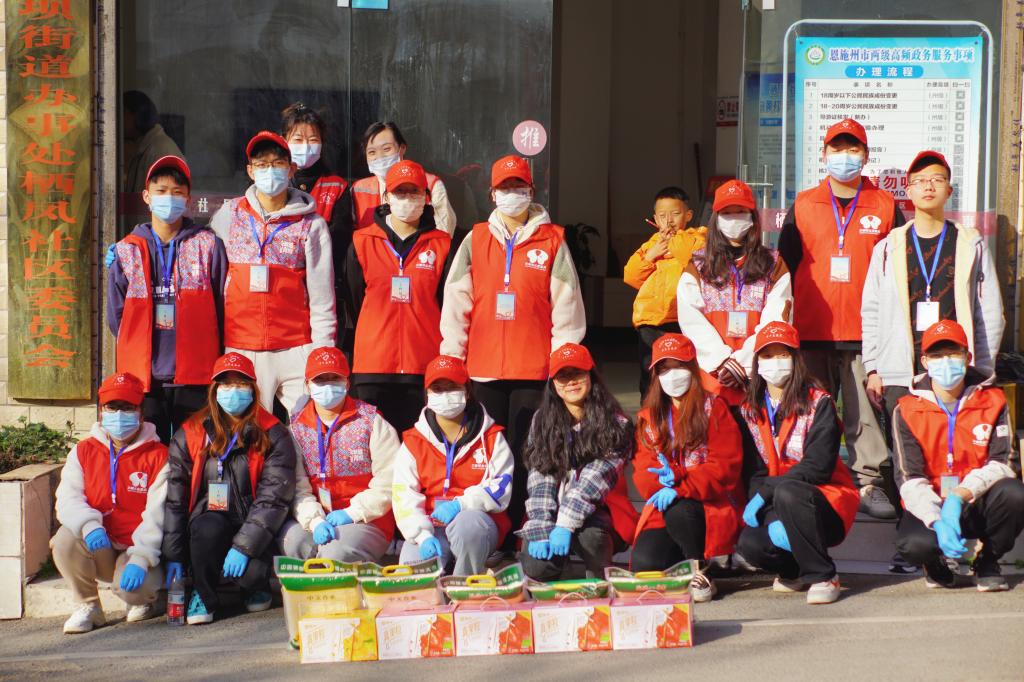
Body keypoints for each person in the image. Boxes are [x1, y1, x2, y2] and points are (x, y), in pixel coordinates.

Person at [440, 154, 586, 539]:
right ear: (492, 193)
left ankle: (526, 525)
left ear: (531, 191)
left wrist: (562, 365)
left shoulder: (553, 240)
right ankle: (492, 528)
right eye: (504, 187)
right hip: (482, 367)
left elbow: (567, 306)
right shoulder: (475, 239)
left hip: (533, 368)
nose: (512, 193)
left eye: (518, 186)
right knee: (487, 452)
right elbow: (456, 302)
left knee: (529, 451)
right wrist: (452, 361)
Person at [778, 117, 904, 520]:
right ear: (824, 154)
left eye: (852, 149)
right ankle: (813, 478)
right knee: (811, 412)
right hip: (811, 329)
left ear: (865, 155)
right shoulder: (803, 205)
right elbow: (785, 267)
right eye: (837, 148)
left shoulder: (885, 206)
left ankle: (868, 481)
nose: (844, 156)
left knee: (864, 414)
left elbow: (897, 271)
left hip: (866, 332)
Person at [862, 150, 1004, 439]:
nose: (928, 186)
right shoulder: (888, 247)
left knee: (952, 446)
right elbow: (871, 311)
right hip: (899, 372)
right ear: (908, 191)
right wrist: (873, 368)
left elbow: (989, 312)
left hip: (954, 369)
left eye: (937, 180)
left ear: (949, 190)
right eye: (920, 180)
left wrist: (981, 370)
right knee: (905, 452)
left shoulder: (970, 244)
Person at [162, 352, 296, 625]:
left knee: (252, 574)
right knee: (205, 529)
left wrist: (244, 547)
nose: (233, 391)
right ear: (214, 390)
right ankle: (203, 594)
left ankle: (253, 585)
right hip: (210, 518)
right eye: (226, 384)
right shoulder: (191, 432)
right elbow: (176, 498)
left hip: (252, 521)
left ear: (253, 389)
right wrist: (173, 554)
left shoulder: (273, 432)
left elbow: (273, 500)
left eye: (241, 384)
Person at [210, 131, 336, 413]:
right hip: (241, 345)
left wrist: (322, 351)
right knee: (247, 429)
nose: (270, 171)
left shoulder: (311, 224)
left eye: (278, 163)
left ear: (291, 169)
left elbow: (322, 296)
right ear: (250, 171)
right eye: (262, 164)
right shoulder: (230, 214)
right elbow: (210, 271)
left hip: (296, 346)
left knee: (307, 425)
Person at [893, 320, 1024, 592]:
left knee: (1014, 493)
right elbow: (908, 477)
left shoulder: (994, 400)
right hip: (931, 500)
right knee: (913, 544)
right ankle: (935, 565)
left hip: (975, 499)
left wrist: (958, 496)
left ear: (967, 357)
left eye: (953, 353)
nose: (946, 361)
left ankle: (988, 561)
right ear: (924, 361)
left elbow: (1004, 463)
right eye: (937, 355)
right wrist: (936, 519)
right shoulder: (905, 409)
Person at [736, 322, 859, 605]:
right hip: (775, 501)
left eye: (783, 354)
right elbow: (754, 471)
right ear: (757, 362)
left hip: (821, 500)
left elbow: (818, 467)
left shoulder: (820, 402)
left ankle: (824, 576)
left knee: (788, 492)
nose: (775, 362)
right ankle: (794, 572)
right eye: (767, 355)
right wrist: (767, 509)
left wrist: (768, 491)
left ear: (796, 359)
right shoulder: (749, 410)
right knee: (750, 544)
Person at [107, 156, 228, 444]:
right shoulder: (126, 250)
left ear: (188, 199)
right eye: (161, 191)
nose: (169, 198)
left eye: (177, 192)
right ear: (146, 196)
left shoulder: (208, 245)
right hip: (143, 377)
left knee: (197, 451)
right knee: (149, 452)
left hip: (196, 374)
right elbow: (116, 317)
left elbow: (223, 305)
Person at [52, 373, 168, 633]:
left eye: (127, 407)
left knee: (136, 589)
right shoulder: (83, 450)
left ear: (141, 413)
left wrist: (142, 557)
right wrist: (88, 525)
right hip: (100, 544)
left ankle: (144, 601)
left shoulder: (159, 456)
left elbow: (158, 513)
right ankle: (88, 606)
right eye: (112, 407)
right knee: (64, 540)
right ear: (101, 411)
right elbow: (68, 497)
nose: (119, 414)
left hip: (135, 550)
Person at [631, 334, 743, 602]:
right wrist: (662, 485)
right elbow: (643, 472)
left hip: (706, 505)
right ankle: (681, 563)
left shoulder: (714, 408)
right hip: (666, 506)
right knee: (645, 563)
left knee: (681, 511)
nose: (672, 375)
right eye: (664, 369)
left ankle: (700, 569)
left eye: (679, 366)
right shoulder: (649, 417)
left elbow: (725, 467)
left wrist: (681, 482)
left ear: (693, 368)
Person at [346, 160, 454, 433]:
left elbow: (447, 303)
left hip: (423, 364)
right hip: (373, 365)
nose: (407, 199)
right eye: (399, 192)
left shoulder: (442, 244)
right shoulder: (362, 241)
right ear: (387, 197)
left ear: (426, 197)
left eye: (414, 191)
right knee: (375, 449)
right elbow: (354, 298)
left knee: (419, 448)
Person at [517, 343, 638, 581]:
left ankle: (598, 579)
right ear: (553, 383)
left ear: (591, 375)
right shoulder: (541, 420)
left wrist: (565, 524)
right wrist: (541, 524)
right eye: (563, 376)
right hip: (553, 506)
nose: (571, 381)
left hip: (600, 508)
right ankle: (557, 573)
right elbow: (540, 475)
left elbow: (595, 480)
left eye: (577, 373)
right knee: (535, 566)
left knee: (592, 538)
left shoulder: (617, 423)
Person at [391, 356, 515, 575]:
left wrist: (461, 504)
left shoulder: (491, 437)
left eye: (452, 387)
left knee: (469, 525)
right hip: (431, 526)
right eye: (438, 389)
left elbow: (501, 487)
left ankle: (464, 585)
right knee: (413, 573)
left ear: (467, 391)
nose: (445, 395)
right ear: (427, 394)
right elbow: (404, 495)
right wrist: (422, 535)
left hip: (476, 522)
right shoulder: (413, 441)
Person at [278, 347, 399, 563]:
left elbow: (389, 482)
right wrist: (314, 520)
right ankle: (312, 586)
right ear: (307, 385)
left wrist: (352, 513)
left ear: (347, 383)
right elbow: (297, 487)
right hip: (317, 517)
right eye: (320, 379)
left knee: (335, 552)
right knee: (293, 541)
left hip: (367, 519)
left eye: (334, 378)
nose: (327, 385)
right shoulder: (295, 429)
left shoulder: (372, 421)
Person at [677, 179, 792, 405]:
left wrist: (744, 363)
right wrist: (721, 362)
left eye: (740, 212)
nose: (734, 218)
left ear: (752, 217)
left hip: (759, 375)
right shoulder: (698, 265)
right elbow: (690, 319)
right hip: (712, 379)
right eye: (727, 213)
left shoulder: (773, 264)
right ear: (716, 218)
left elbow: (776, 320)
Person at [281, 102, 353, 345]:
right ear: (284, 141)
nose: (305, 145)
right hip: (283, 290)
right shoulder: (275, 184)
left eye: (313, 139)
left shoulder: (337, 186)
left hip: (324, 289)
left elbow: (340, 239)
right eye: (298, 139)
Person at [623, 187, 706, 396]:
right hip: (651, 321)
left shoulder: (697, 238)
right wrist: (651, 255)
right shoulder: (651, 244)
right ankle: (649, 412)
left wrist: (674, 241)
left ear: (688, 215)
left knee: (683, 371)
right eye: (662, 216)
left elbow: (696, 263)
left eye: (675, 214)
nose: (668, 221)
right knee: (650, 374)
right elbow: (631, 276)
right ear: (654, 219)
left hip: (682, 318)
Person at [352, 121, 457, 234]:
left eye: (386, 149)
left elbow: (444, 232)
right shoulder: (358, 189)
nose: (380, 157)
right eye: (372, 152)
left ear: (402, 148)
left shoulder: (430, 184)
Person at [123, 91, 184, 193]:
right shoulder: (146, 148)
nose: (118, 120)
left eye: (122, 113)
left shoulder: (160, 150)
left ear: (136, 115)